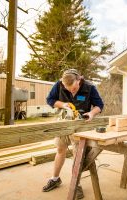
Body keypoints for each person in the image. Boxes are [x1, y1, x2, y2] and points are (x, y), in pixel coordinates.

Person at [42, 69, 104, 199]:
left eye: (74, 88)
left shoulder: (90, 87)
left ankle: (77, 184)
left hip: (80, 125)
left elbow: (99, 105)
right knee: (60, 149)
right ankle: (55, 179)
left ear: (79, 80)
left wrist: (92, 114)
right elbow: (50, 100)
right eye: (68, 89)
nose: (72, 92)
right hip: (63, 123)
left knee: (78, 155)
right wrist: (63, 104)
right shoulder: (59, 85)